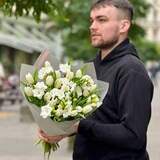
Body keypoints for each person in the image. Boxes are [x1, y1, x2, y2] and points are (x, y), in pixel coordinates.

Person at [39, 0, 154, 160]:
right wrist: (62, 128)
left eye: (101, 20)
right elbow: (97, 120)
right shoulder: (92, 66)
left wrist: (81, 126)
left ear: (123, 26)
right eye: (91, 20)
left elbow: (133, 136)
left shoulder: (131, 70)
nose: (92, 26)